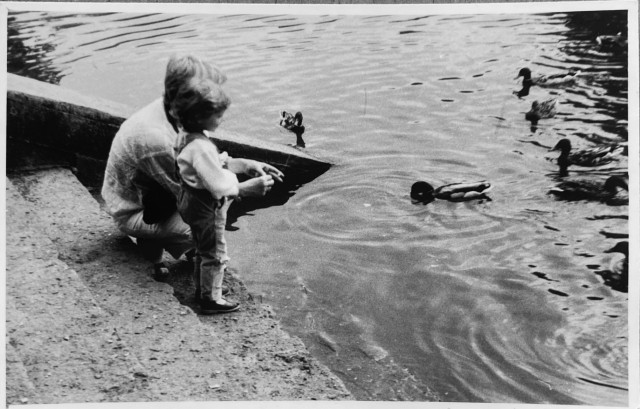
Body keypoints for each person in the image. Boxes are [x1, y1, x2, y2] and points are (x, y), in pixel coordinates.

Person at [101, 54, 283, 281]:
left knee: (210, 209)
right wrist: (244, 189)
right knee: (207, 226)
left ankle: (163, 243)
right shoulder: (155, 139)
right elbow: (197, 197)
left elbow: (205, 162)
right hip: (132, 210)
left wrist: (244, 165)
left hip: (153, 197)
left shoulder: (180, 112)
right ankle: (157, 243)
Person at [171, 76, 282, 313]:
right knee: (215, 253)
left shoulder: (186, 136)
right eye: (218, 115)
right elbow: (219, 186)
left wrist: (242, 164)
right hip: (206, 206)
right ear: (200, 117)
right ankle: (211, 300)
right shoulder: (201, 148)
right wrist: (247, 187)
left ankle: (207, 288)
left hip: (189, 200)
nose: (222, 119)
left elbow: (208, 167)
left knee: (202, 248)